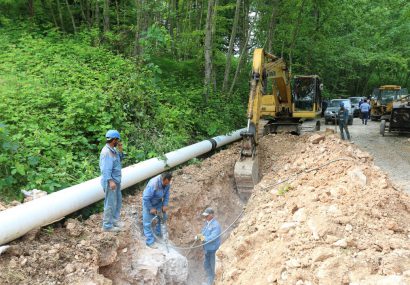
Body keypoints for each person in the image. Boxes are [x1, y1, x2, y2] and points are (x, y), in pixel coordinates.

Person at [100, 130, 124, 232]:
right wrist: (110, 181)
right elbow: (105, 169)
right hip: (111, 182)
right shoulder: (106, 152)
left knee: (117, 202)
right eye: (117, 140)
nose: (118, 142)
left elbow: (120, 160)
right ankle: (107, 226)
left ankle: (113, 221)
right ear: (113, 139)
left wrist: (121, 150)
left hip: (116, 180)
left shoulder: (113, 150)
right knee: (110, 203)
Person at [142, 172, 173, 247]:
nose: (166, 185)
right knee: (147, 223)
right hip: (149, 203)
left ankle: (158, 235)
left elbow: (166, 194)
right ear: (163, 179)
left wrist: (165, 204)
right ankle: (150, 242)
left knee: (163, 218)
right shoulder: (153, 184)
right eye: (165, 183)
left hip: (158, 202)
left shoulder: (167, 183)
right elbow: (145, 198)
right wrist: (151, 208)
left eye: (167, 183)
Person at [196, 207, 222, 285]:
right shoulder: (207, 223)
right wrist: (199, 236)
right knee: (207, 265)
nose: (205, 217)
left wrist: (203, 238)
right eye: (205, 216)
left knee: (212, 266)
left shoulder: (216, 225)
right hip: (207, 249)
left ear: (211, 215)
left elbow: (213, 237)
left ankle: (212, 282)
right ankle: (209, 281)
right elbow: (203, 232)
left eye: (207, 216)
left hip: (213, 250)